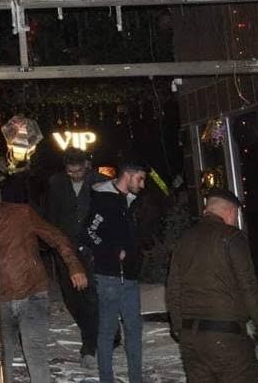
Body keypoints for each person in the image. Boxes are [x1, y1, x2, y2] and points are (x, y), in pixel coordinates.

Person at [0, 176, 88, 383]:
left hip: (32, 295)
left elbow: (56, 237)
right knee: (1, 358)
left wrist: (74, 266)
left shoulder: (22, 214)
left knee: (35, 351)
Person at [166, 188, 258, 383]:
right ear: (230, 211)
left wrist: (180, 329)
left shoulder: (184, 240)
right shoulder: (232, 237)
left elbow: (173, 290)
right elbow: (249, 289)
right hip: (227, 336)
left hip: (192, 340)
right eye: (236, 215)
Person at [85, 159, 148, 383]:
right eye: (140, 179)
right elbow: (88, 232)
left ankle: (136, 378)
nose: (142, 184)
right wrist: (110, 252)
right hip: (109, 276)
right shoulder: (104, 200)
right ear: (127, 175)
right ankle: (106, 378)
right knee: (108, 330)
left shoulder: (131, 202)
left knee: (134, 329)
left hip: (129, 275)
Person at [47, 148, 101, 367]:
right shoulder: (56, 183)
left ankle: (90, 346)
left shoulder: (100, 182)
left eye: (78, 171)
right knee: (72, 298)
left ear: (86, 165)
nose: (74, 175)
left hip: (92, 248)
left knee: (91, 297)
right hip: (65, 248)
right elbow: (51, 215)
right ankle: (96, 331)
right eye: (70, 172)